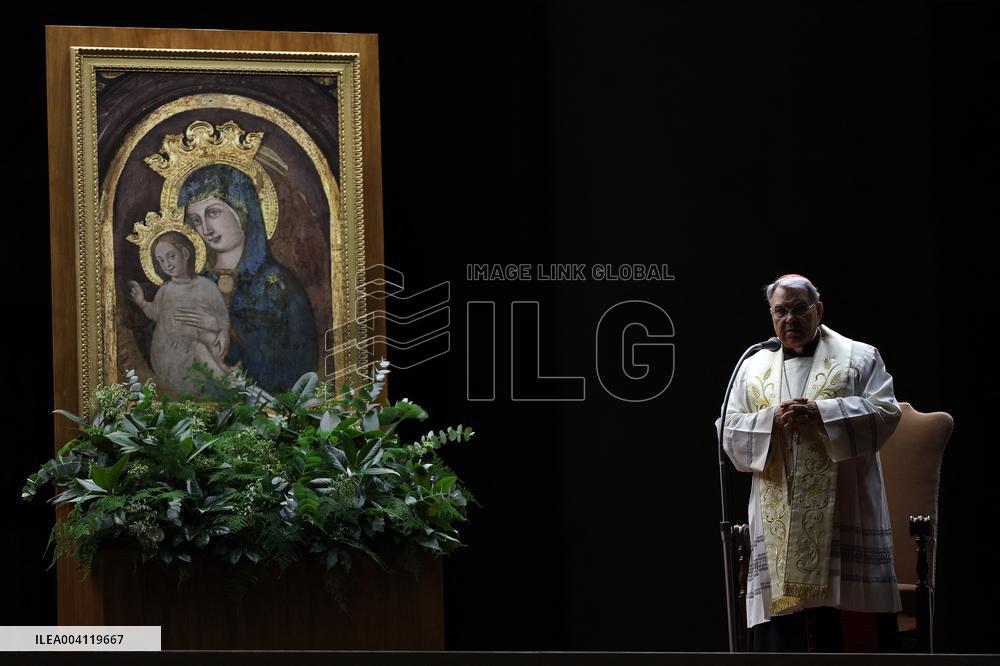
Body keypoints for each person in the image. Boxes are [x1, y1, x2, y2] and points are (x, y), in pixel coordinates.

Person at [719, 274, 902, 652]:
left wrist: (823, 413)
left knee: (848, 631)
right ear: (771, 317)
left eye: (800, 309)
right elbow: (728, 430)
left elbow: (886, 413)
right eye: (780, 311)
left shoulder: (859, 357)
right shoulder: (752, 367)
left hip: (843, 515)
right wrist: (771, 420)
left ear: (818, 309)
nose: (791, 319)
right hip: (778, 526)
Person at [177, 164, 318, 395]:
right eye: (196, 220)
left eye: (213, 213)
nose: (206, 229)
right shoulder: (194, 283)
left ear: (242, 211)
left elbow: (299, 362)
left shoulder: (279, 285)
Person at [128, 231, 235, 396]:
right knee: (198, 345)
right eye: (161, 261)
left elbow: (221, 315)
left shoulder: (206, 287)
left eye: (171, 256)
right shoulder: (165, 290)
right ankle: (223, 378)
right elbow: (155, 313)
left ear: (185, 254)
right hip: (169, 353)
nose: (167, 264)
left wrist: (222, 331)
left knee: (206, 338)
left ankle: (223, 371)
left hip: (195, 347)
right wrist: (142, 302)